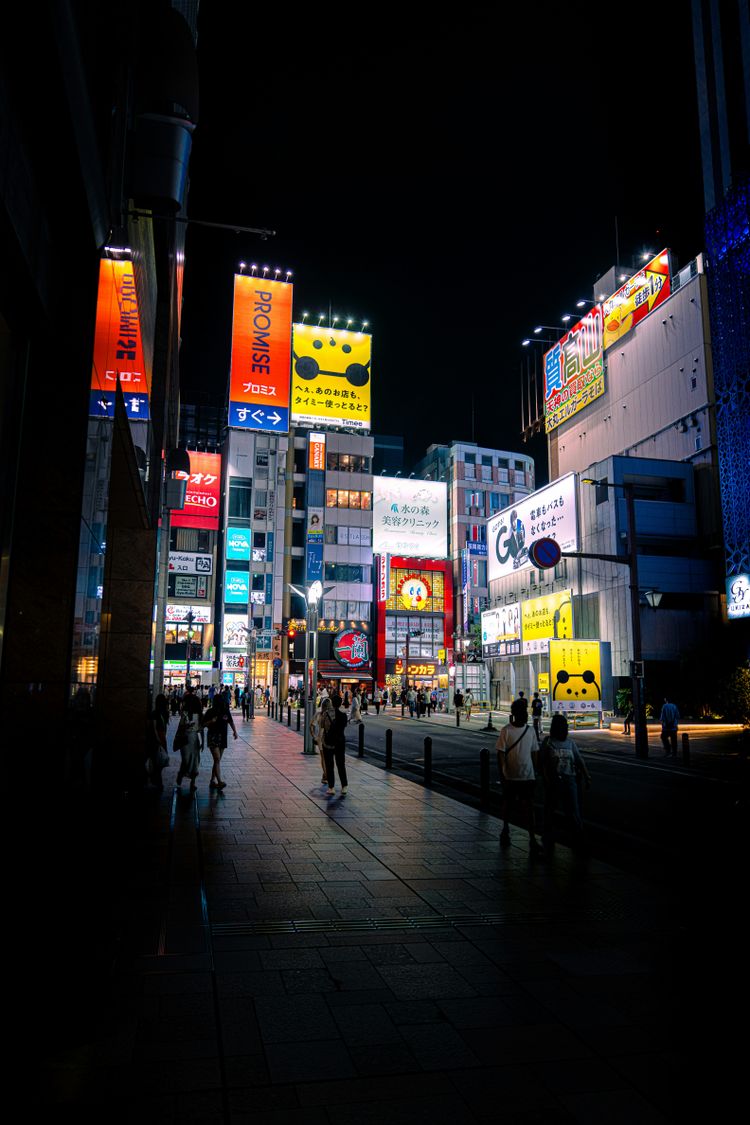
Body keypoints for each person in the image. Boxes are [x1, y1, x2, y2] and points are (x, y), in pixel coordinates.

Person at [495, 697, 543, 856]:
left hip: (526, 776)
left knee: (527, 808)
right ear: (515, 714)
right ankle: (507, 830)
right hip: (513, 776)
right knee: (516, 806)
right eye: (522, 712)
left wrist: (536, 772)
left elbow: (534, 753)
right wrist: (502, 773)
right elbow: (500, 754)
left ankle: (528, 837)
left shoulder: (529, 731)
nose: (525, 715)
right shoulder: (506, 731)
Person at [536, 713, 591, 852]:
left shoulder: (570, 743)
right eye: (563, 726)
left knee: (573, 810)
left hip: (570, 780)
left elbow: (579, 760)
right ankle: (548, 835)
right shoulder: (548, 742)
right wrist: (545, 778)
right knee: (550, 809)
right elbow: (541, 762)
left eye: (565, 727)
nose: (565, 729)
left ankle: (579, 837)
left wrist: (587, 776)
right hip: (553, 781)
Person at [202, 691, 237, 789]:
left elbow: (230, 721)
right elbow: (203, 724)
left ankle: (212, 780)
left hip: (223, 737)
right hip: (213, 736)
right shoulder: (210, 712)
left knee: (217, 761)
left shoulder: (225, 711)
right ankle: (220, 781)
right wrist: (210, 721)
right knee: (217, 759)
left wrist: (235, 731)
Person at [175, 686, 203, 790]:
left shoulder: (198, 715)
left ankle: (193, 782)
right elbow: (181, 726)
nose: (183, 704)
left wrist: (203, 741)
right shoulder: (185, 714)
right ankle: (181, 773)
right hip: (185, 738)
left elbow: (201, 728)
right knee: (186, 759)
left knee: (195, 761)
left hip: (194, 738)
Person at [322, 692, 349, 796]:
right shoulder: (343, 716)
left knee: (329, 765)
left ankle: (331, 787)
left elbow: (322, 725)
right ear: (340, 703)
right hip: (340, 742)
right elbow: (344, 727)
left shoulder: (326, 714)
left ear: (332, 703)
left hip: (328, 742)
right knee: (341, 764)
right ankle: (344, 786)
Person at [147, 693, 170, 789]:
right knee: (158, 762)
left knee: (157, 761)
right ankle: (157, 781)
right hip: (158, 741)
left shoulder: (157, 713)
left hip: (156, 740)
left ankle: (156, 780)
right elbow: (156, 729)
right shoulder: (160, 713)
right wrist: (160, 741)